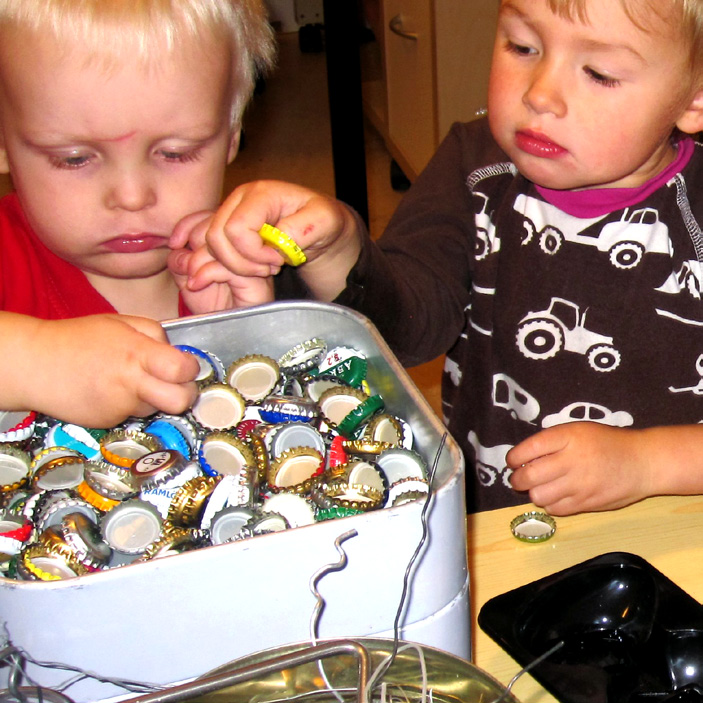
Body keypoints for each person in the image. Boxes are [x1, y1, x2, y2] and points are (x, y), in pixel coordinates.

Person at [173, 0, 703, 515]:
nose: (541, 94)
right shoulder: (473, 168)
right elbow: (409, 330)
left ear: (694, 96)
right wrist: (334, 249)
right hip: (496, 519)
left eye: (600, 73)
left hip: (675, 525)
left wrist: (648, 464)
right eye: (522, 46)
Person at [0, 0, 275, 428]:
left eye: (175, 153)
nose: (131, 197)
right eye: (74, 159)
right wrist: (35, 358)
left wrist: (240, 332)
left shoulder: (238, 257)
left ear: (231, 135)